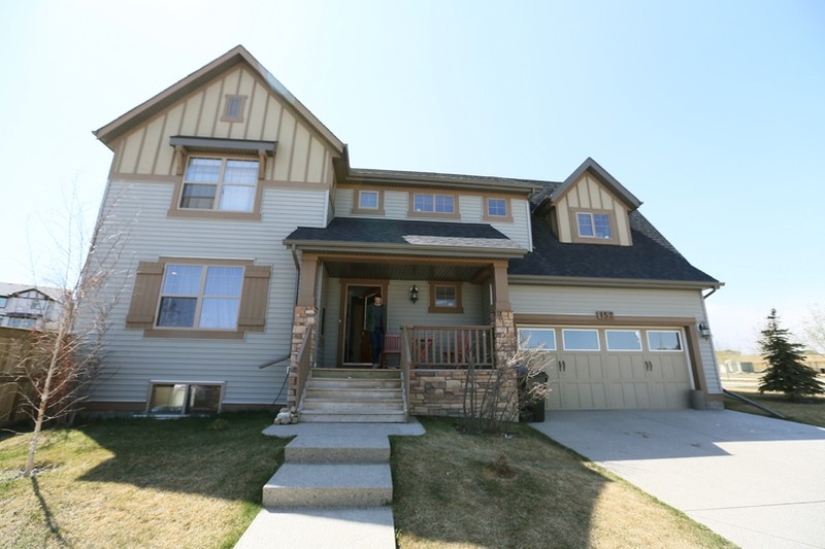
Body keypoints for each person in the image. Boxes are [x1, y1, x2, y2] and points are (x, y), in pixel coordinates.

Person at [365, 296, 385, 368]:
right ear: (374, 300)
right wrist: (368, 328)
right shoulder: (370, 307)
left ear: (381, 300)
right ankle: (375, 362)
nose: (377, 301)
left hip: (381, 329)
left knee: (381, 346)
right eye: (376, 300)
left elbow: (384, 318)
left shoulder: (383, 308)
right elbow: (367, 318)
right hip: (373, 329)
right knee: (374, 346)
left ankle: (375, 360)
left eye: (379, 300)